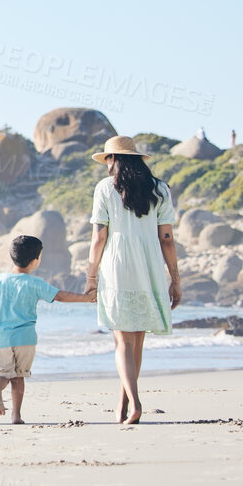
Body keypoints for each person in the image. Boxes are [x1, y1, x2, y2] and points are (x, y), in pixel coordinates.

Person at [84, 135, 180, 425]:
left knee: (122, 341)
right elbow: (166, 238)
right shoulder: (160, 189)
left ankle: (135, 403)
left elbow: (100, 236)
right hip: (149, 264)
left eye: (108, 160)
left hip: (117, 264)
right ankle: (123, 402)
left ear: (114, 160)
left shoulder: (105, 188)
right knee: (136, 341)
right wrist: (175, 278)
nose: (106, 166)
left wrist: (91, 276)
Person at [0, 235, 95, 424]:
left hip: (2, 339)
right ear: (34, 261)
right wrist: (86, 298)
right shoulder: (35, 283)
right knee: (19, 377)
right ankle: (16, 416)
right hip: (26, 339)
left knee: (2, 374)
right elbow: (61, 296)